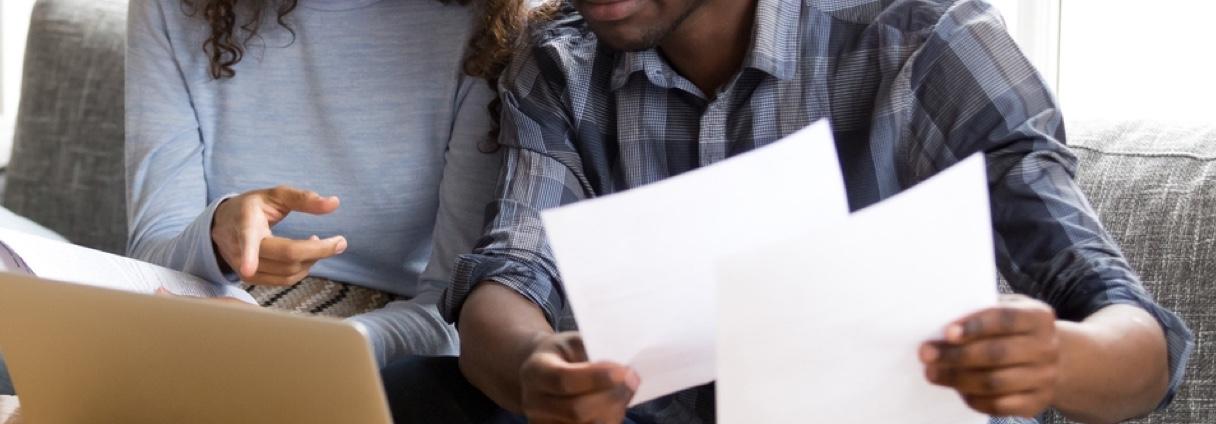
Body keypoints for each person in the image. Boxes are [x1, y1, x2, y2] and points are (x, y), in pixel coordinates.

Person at [379, 0, 1195, 423]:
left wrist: (1059, 358)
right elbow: (508, 274)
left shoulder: (925, 42)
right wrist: (532, 370)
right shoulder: (560, 63)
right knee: (412, 393)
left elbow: (1139, 341)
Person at [124, 0, 501, 368]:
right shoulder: (176, 8)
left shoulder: (489, 24)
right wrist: (216, 235)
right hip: (206, 307)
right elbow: (149, 258)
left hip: (390, 334)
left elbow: (458, 310)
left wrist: (313, 349)